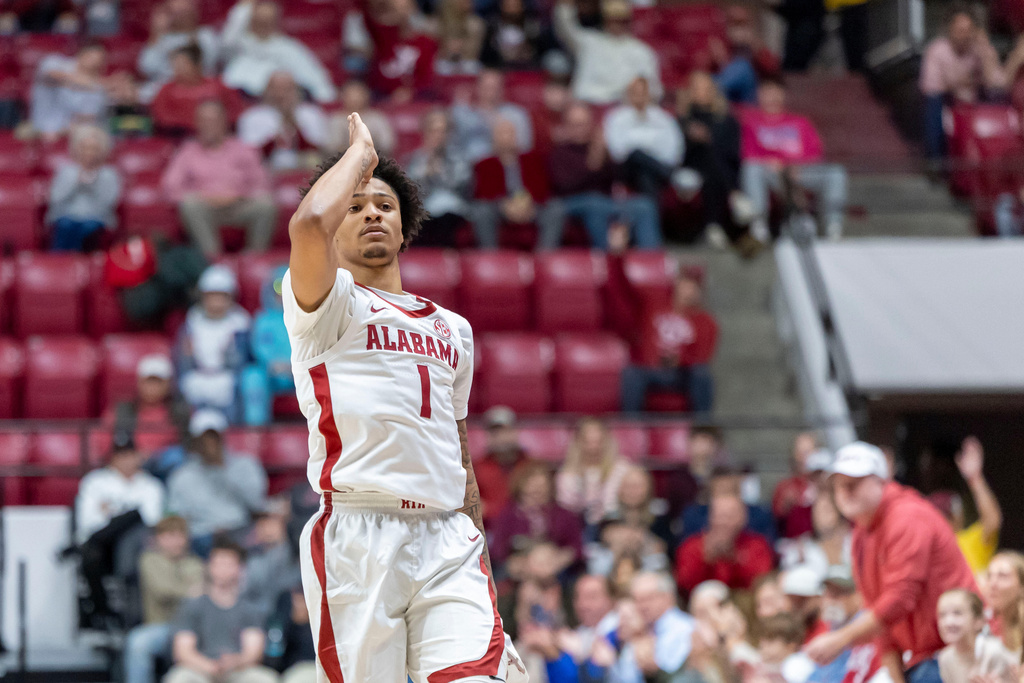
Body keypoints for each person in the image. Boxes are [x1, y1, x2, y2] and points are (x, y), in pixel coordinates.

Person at [283, 112, 527, 680]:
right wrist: (361, 157)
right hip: (359, 533)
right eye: (357, 204)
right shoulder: (326, 307)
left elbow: (457, 449)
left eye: (385, 205)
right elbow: (307, 225)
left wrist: (479, 550)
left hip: (447, 536)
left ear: (404, 226)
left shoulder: (454, 329)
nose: (371, 211)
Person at [803, 442, 978, 683]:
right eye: (839, 484)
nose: (845, 490)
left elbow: (898, 599)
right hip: (921, 659)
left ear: (881, 482)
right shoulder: (861, 534)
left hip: (950, 654)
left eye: (855, 482)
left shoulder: (906, 516)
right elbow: (879, 615)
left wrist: (841, 638)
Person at [163, 100, 278, 258]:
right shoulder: (187, 152)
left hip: (239, 205)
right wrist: (205, 196)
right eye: (203, 120)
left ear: (224, 122)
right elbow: (170, 187)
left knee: (266, 204)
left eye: (213, 120)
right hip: (205, 207)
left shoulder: (244, 149)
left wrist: (238, 194)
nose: (208, 125)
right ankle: (212, 259)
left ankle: (254, 258)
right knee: (189, 204)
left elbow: (262, 183)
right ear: (196, 123)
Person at [739, 78, 848, 242]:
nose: (771, 97)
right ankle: (758, 224)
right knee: (751, 169)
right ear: (759, 95)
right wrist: (774, 163)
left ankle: (833, 226)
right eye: (766, 93)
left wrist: (795, 166)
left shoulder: (800, 122)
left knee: (836, 173)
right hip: (771, 173)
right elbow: (748, 153)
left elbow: (816, 152)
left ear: (782, 95)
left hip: (801, 171)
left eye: (775, 92)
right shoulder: (752, 123)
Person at [75, 433, 165, 629]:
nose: (125, 460)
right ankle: (102, 613)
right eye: (120, 455)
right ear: (112, 458)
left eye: (129, 455)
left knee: (134, 521)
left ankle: (130, 619)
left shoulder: (151, 485)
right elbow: (88, 522)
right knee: (92, 552)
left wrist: (115, 515)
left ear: (138, 456)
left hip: (136, 546)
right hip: (102, 549)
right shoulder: (95, 482)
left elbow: (152, 523)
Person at [547, 102, 662, 249]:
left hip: (607, 202)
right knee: (595, 203)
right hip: (572, 203)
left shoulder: (599, 148)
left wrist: (606, 154)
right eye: (575, 124)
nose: (579, 129)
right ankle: (606, 258)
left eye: (583, 124)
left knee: (644, 205)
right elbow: (564, 186)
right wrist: (593, 163)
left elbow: (617, 178)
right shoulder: (560, 152)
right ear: (566, 126)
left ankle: (651, 263)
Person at [164, 538, 279, 683]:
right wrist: (209, 666)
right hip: (199, 669)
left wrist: (235, 662)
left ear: (240, 568)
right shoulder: (193, 605)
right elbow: (183, 651)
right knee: (178, 678)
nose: (222, 569)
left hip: (238, 670)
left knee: (265, 679)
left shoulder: (250, 608)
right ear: (209, 567)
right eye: (218, 564)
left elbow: (253, 651)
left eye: (228, 564)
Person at [167, 410, 269, 556]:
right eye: (204, 438)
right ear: (195, 441)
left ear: (223, 437)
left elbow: (256, 504)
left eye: (213, 437)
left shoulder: (245, 465)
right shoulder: (182, 475)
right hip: (201, 537)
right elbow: (177, 516)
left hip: (239, 530)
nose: (209, 443)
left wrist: (223, 469)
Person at [619, 269, 718, 414]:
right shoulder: (654, 306)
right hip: (651, 368)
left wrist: (680, 360)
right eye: (685, 284)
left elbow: (702, 356)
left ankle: (702, 427)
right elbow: (625, 293)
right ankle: (631, 429)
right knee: (631, 373)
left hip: (682, 373)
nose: (688, 291)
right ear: (676, 284)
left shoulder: (706, 321)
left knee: (702, 374)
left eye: (693, 287)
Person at [124, 516, 204, 683]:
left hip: (192, 628)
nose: (174, 541)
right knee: (138, 642)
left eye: (179, 535)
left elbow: (201, 598)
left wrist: (186, 592)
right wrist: (188, 591)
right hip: (162, 627)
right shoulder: (149, 559)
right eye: (168, 536)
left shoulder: (196, 563)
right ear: (158, 538)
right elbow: (163, 591)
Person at [919, 5, 1005, 160]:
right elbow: (930, 88)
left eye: (968, 30)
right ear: (950, 31)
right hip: (948, 103)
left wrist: (985, 54)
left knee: (999, 98)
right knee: (933, 103)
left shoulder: (980, 49)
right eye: (960, 30)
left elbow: (998, 83)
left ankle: (998, 159)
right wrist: (961, 83)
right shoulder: (937, 50)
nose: (964, 35)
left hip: (977, 103)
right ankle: (936, 163)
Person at [470, 117, 565, 249]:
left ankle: (544, 258)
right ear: (494, 138)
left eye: (510, 133)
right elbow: (482, 192)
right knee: (481, 211)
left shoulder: (532, 160)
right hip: (499, 206)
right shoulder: (485, 164)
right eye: (502, 133)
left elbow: (543, 188)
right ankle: (490, 258)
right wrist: (504, 205)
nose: (506, 137)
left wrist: (527, 202)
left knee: (556, 208)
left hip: (530, 205)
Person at [675, 72, 746, 247]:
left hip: (718, 170)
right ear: (689, 92)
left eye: (706, 88)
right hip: (689, 169)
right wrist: (692, 138)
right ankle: (735, 196)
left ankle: (713, 227)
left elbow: (733, 153)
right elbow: (677, 154)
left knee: (712, 163)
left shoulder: (727, 120)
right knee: (708, 157)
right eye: (697, 88)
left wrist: (709, 140)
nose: (702, 92)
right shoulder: (682, 119)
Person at [221, 0, 335, 102]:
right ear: (251, 21)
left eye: (267, 22)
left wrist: (324, 99)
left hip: (274, 106)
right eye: (260, 21)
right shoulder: (239, 44)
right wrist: (247, 5)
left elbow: (319, 85)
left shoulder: (288, 47)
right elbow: (228, 37)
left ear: (276, 22)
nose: (263, 26)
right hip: (239, 103)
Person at [176, 265, 252, 418]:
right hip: (196, 377)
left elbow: (244, 359)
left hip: (228, 380)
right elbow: (182, 359)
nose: (216, 301)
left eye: (221, 296)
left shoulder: (241, 324)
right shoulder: (191, 322)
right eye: (212, 296)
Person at [553, 0, 661, 105]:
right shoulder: (589, 42)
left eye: (620, 20)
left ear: (628, 21)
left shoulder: (642, 51)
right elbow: (565, 26)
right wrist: (565, 5)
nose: (616, 24)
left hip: (621, 108)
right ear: (605, 20)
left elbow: (654, 89)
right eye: (612, 19)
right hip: (587, 105)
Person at [490, 461, 584, 569]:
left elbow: (577, 548)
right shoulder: (507, 515)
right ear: (520, 489)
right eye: (532, 490)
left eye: (542, 488)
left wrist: (561, 558)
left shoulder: (564, 515)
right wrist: (515, 562)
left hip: (557, 568)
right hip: (519, 569)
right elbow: (497, 550)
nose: (536, 494)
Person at [927, 436, 1002, 573]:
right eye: (937, 516)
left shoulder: (967, 543)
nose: (943, 522)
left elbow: (992, 521)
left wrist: (975, 478)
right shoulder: (923, 550)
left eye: (948, 515)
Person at [604, 76, 688, 199]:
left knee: (645, 174)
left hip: (655, 168)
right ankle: (673, 177)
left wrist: (650, 159)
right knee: (636, 154)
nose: (639, 96)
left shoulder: (663, 118)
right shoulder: (616, 117)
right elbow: (617, 151)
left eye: (643, 92)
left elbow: (675, 147)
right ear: (628, 94)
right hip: (626, 168)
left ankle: (652, 214)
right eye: (635, 92)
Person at [675, 494, 774, 596]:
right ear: (710, 517)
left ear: (743, 517)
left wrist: (736, 560)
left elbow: (761, 583)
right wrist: (706, 560)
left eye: (729, 516)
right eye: (719, 516)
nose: (723, 522)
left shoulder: (757, 545)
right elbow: (684, 585)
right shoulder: (692, 546)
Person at [806, 565, 892, 683]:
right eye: (826, 595)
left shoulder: (868, 628)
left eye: (837, 595)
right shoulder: (829, 628)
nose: (830, 601)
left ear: (858, 596)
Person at [46, 123, 122, 252]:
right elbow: (55, 199)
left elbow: (110, 203)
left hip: (97, 218)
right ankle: (59, 264)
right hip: (67, 216)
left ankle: (82, 266)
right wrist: (75, 183)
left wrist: (93, 185)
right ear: (77, 149)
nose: (89, 153)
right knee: (66, 226)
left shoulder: (109, 174)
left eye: (94, 148)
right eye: (85, 148)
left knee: (88, 228)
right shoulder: (66, 171)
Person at [404, 108, 474, 247]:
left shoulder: (459, 158)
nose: (438, 135)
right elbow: (410, 194)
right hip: (425, 214)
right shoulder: (415, 160)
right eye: (434, 131)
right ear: (425, 133)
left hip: (452, 213)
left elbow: (463, 187)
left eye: (443, 131)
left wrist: (439, 173)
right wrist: (426, 173)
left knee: (446, 216)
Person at [610, 572, 697, 683]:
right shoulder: (638, 630)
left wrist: (652, 669)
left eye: (648, 598)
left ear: (668, 597)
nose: (643, 606)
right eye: (638, 600)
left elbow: (677, 676)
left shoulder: (686, 628)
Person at [237, 71, 329, 172]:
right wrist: (273, 142)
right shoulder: (252, 117)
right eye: (275, 89)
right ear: (266, 91)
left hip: (307, 172)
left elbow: (320, 150)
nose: (281, 94)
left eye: (287, 89)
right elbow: (248, 155)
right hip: (267, 173)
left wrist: (296, 130)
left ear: (296, 90)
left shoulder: (311, 113)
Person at [150, 43, 244, 138]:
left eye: (183, 64)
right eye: (175, 65)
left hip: (218, 137)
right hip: (180, 138)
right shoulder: (166, 90)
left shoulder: (217, 86)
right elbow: (160, 117)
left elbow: (235, 111)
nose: (178, 69)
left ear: (197, 65)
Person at [240, 267, 294, 427]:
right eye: (279, 286)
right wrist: (273, 365)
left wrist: (296, 366)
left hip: (303, 372)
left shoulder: (310, 318)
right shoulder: (263, 319)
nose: (283, 293)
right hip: (273, 373)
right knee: (252, 377)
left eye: (290, 286)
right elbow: (261, 348)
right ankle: (256, 429)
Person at [106, 354, 190, 456]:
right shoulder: (123, 409)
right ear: (139, 382)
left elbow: (188, 445)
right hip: (129, 463)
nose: (152, 387)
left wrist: (153, 454)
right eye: (149, 381)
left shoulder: (179, 410)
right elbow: (103, 439)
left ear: (168, 384)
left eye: (158, 382)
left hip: (168, 466)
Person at [137, 0, 220, 101]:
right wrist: (157, 33)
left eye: (184, 11)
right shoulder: (163, 38)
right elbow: (146, 67)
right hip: (164, 87)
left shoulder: (205, 35)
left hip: (196, 87)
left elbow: (208, 64)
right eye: (175, 12)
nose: (180, 17)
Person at [555, 417, 631, 527]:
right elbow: (566, 510)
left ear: (607, 441)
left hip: (617, 524)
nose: (593, 448)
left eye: (599, 441)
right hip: (578, 526)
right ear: (578, 443)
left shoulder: (622, 468)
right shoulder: (567, 474)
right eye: (588, 442)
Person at [357, 0, 438, 100]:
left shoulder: (425, 42)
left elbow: (426, 76)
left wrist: (410, 91)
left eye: (405, 8)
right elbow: (368, 14)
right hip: (381, 94)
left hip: (416, 95)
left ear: (413, 10)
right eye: (394, 8)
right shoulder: (382, 37)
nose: (400, 12)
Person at [450, 68, 535, 163]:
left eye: (495, 87)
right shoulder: (464, 116)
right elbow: (454, 149)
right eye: (487, 87)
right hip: (471, 169)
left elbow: (525, 149)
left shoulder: (517, 115)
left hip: (505, 166)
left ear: (502, 89)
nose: (491, 92)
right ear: (477, 87)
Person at [30, 42, 112, 140]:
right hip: (37, 130)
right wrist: (89, 84)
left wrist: (62, 132)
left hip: (68, 136)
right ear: (81, 54)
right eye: (91, 57)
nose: (95, 63)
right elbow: (49, 77)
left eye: (99, 61)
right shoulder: (55, 62)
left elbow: (87, 118)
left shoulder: (97, 90)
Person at [937, 588, 1018, 683]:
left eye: (957, 613)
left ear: (979, 620)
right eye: (942, 615)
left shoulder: (995, 653)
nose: (948, 622)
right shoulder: (945, 658)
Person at [475, 405, 529, 525]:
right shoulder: (476, 468)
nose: (502, 437)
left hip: (527, 528)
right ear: (488, 436)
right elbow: (475, 507)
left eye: (506, 431)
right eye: (495, 433)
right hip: (490, 529)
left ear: (516, 432)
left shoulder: (530, 465)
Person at [772, 433, 828, 539]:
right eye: (799, 452)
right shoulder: (785, 487)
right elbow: (778, 520)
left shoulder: (829, 482)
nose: (804, 457)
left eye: (808, 452)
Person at [327, 80, 397, 157]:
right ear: (343, 97)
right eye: (351, 95)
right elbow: (331, 147)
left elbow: (387, 144)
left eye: (358, 95)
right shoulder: (337, 119)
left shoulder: (377, 118)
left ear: (366, 96)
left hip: (374, 161)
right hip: (343, 162)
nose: (355, 99)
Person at [263, 583, 317, 683]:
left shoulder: (319, 622)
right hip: (284, 670)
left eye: (302, 600)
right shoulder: (283, 613)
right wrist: (295, 622)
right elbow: (274, 654)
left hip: (311, 667)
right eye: (296, 599)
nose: (299, 603)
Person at [480, 0, 554, 70]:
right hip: (498, 67)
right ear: (501, 6)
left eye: (515, 5)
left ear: (522, 6)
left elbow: (537, 52)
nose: (511, 9)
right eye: (508, 5)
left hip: (527, 68)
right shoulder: (492, 26)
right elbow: (487, 54)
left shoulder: (533, 28)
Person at [984, 552, 1024, 655]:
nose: (992, 584)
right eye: (989, 576)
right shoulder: (983, 621)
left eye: (1002, 576)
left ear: (1021, 587)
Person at [757, 614, 816, 683]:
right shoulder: (762, 665)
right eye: (762, 640)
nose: (763, 645)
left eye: (770, 641)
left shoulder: (800, 665)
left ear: (790, 645)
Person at [435, 0, 485, 74]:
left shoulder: (475, 24)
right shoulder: (438, 24)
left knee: (473, 67)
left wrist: (461, 48)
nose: (468, 3)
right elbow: (435, 50)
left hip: (467, 63)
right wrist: (447, 49)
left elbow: (473, 52)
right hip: (443, 63)